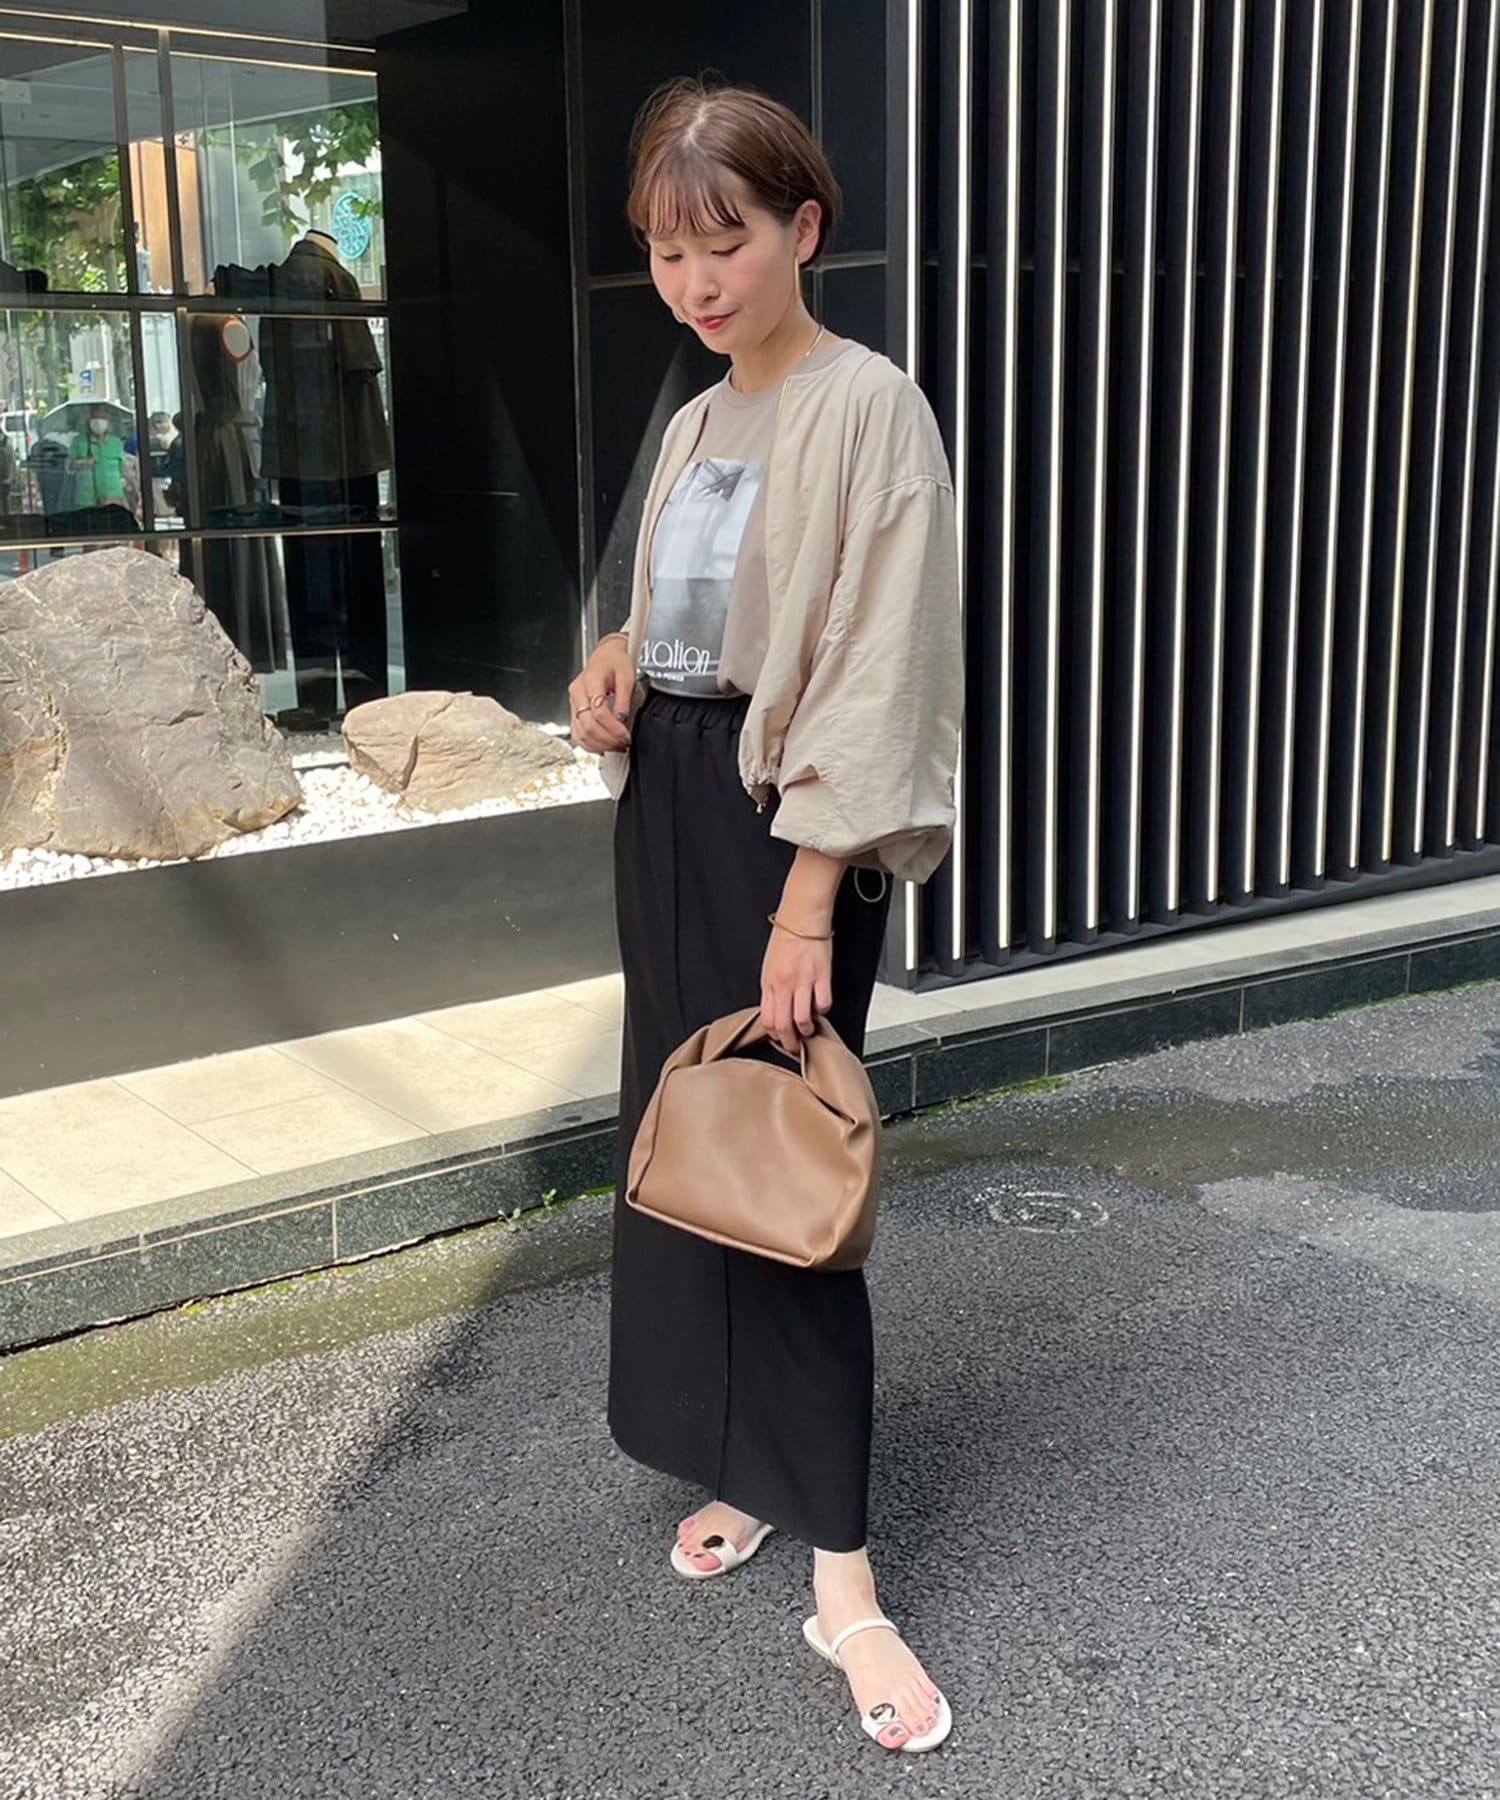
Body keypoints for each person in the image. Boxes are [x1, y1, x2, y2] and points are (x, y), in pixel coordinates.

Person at [569, 78, 963, 1756]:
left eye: (722, 242)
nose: (696, 282)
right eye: (668, 253)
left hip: (781, 835)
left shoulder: (872, 409)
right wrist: (611, 662)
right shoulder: (696, 419)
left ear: (807, 225)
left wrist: (812, 895)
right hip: (668, 808)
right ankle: (742, 1465)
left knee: (790, 1161)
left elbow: (881, 664)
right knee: (684, 1140)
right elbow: (674, 621)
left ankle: (846, 1579)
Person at [65, 403, 138, 532]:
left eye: (103, 417)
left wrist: (137, 491)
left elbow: (125, 470)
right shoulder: (79, 442)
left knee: (113, 533)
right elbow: (69, 467)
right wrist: (84, 463)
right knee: (90, 534)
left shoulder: (115, 442)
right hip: (86, 500)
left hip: (113, 497)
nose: (99, 421)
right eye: (95, 417)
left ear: (109, 422)